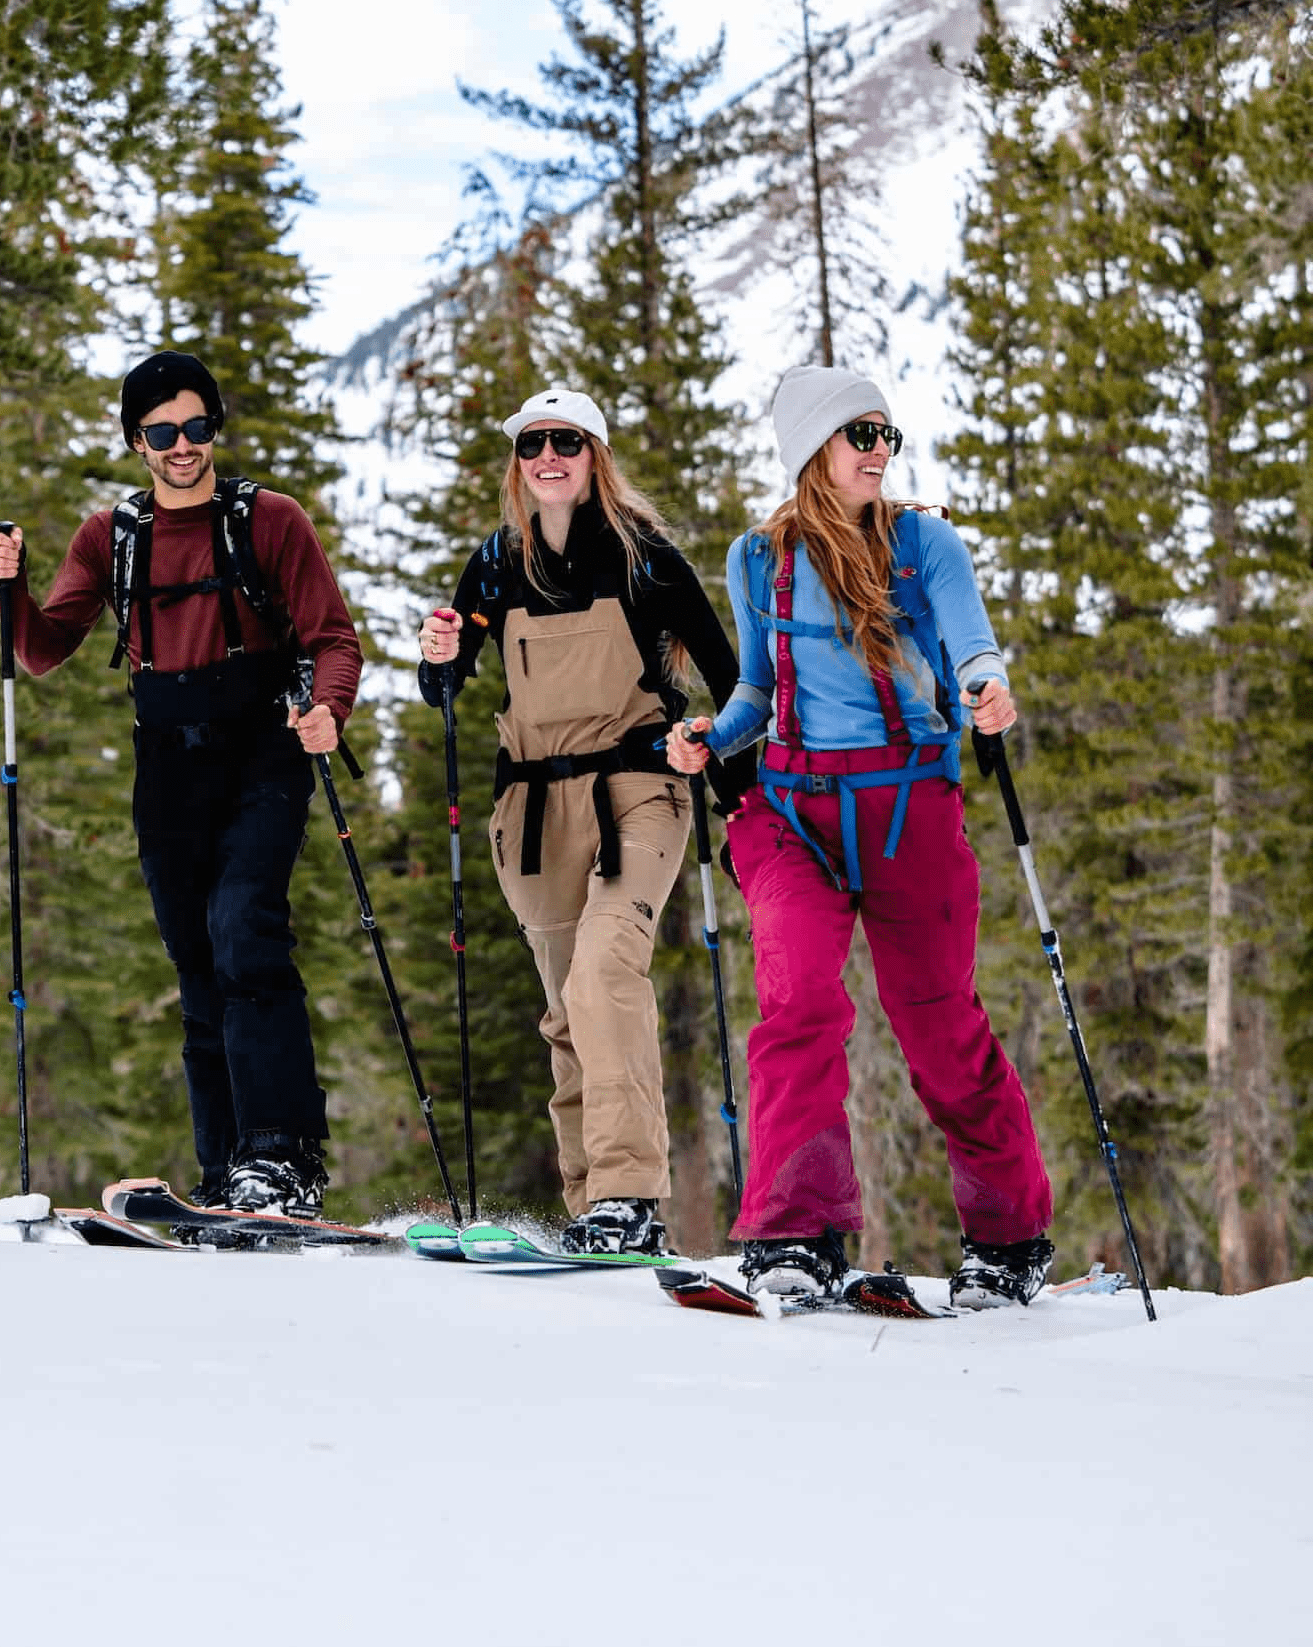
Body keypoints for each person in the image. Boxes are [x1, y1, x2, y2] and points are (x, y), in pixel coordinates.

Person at [666, 364, 1055, 1306]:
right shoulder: (757, 558)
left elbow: (971, 642)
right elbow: (757, 688)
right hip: (792, 811)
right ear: (814, 447)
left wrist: (987, 688)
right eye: (863, 434)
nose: (881, 451)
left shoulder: (923, 545)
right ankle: (796, 1235)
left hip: (907, 811)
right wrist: (711, 735)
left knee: (938, 1026)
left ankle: (1009, 1241)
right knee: (797, 1004)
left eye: (887, 435)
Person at [0, 351, 363, 1218]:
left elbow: (333, 638)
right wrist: (10, 588)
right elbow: (41, 649)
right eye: (162, 432)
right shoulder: (109, 536)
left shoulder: (270, 519)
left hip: (262, 748)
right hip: (166, 760)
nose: (182, 445)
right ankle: (225, 1170)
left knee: (245, 933)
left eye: (196, 426)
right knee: (196, 962)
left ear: (213, 427)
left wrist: (327, 709)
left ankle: (282, 1157)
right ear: (137, 442)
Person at [417, 386, 751, 1254]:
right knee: (568, 1011)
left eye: (566, 441)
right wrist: (440, 657)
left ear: (595, 455)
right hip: (533, 809)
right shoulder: (496, 564)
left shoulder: (647, 558)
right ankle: (589, 1209)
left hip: (636, 789)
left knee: (604, 976)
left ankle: (628, 1194)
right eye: (532, 445)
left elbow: (732, 683)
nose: (547, 458)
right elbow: (446, 686)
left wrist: (741, 801)